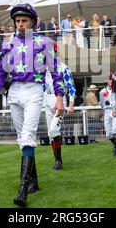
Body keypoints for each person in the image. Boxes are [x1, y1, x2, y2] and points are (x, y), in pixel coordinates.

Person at [0, 3, 64, 208]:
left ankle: (23, 189)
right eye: (17, 21)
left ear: (33, 22)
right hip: (14, 91)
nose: (20, 24)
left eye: (24, 20)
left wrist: (60, 97)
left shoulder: (44, 42)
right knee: (21, 139)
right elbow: (0, 74)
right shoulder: (8, 43)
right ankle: (34, 182)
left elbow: (55, 72)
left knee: (27, 136)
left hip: (35, 90)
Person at [42, 42, 75, 170]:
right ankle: (56, 159)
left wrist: (71, 103)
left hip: (59, 99)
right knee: (51, 134)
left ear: (57, 53)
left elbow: (71, 87)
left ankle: (59, 161)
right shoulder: (42, 70)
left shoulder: (64, 68)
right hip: (47, 100)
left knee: (54, 130)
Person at [99, 75, 116, 155]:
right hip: (107, 111)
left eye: (112, 79)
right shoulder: (102, 91)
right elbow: (101, 103)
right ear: (106, 81)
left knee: (115, 129)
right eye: (109, 79)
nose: (111, 81)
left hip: (115, 110)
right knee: (108, 134)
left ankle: (115, 148)